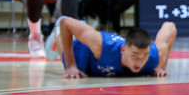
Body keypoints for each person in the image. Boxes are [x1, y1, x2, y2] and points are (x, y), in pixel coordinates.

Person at [43, 16, 176, 78]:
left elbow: (170, 26)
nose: (139, 62)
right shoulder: (103, 46)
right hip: (78, 46)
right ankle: (57, 33)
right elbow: (66, 23)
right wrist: (70, 66)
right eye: (135, 56)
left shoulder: (153, 57)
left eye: (144, 56)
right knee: (52, 52)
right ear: (123, 50)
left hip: (92, 58)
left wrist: (161, 67)